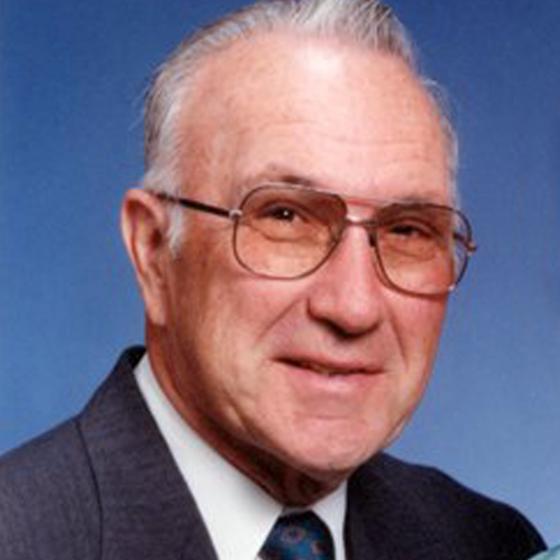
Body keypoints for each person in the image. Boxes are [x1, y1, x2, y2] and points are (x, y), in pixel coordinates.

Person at [0, 1, 546, 558]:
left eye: (407, 230)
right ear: (154, 251)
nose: (353, 306)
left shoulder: (491, 544)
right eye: (285, 217)